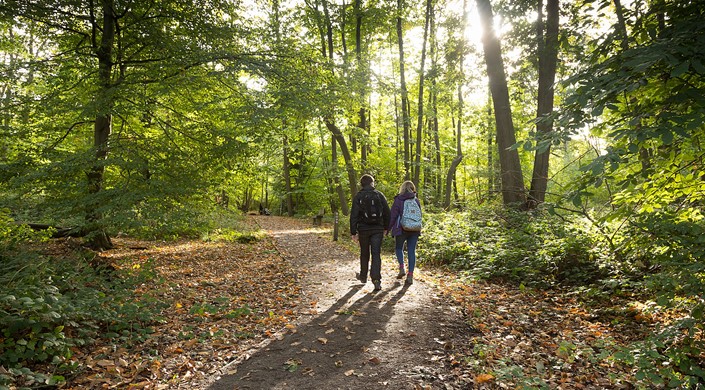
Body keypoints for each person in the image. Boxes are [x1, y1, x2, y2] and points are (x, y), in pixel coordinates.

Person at [350, 174, 390, 292]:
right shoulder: (379, 195)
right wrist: (386, 227)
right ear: (372, 183)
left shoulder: (358, 196)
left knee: (364, 253)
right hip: (378, 229)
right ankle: (376, 280)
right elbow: (387, 212)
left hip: (363, 229)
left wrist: (353, 232)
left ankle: (363, 276)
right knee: (376, 254)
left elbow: (354, 215)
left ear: (361, 184)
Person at [388, 180, 422, 285]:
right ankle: (410, 275)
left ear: (402, 188)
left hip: (401, 228)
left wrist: (387, 229)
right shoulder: (416, 201)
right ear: (413, 189)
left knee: (399, 248)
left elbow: (392, 216)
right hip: (415, 229)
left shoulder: (398, 200)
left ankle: (402, 267)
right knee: (411, 251)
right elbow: (420, 216)